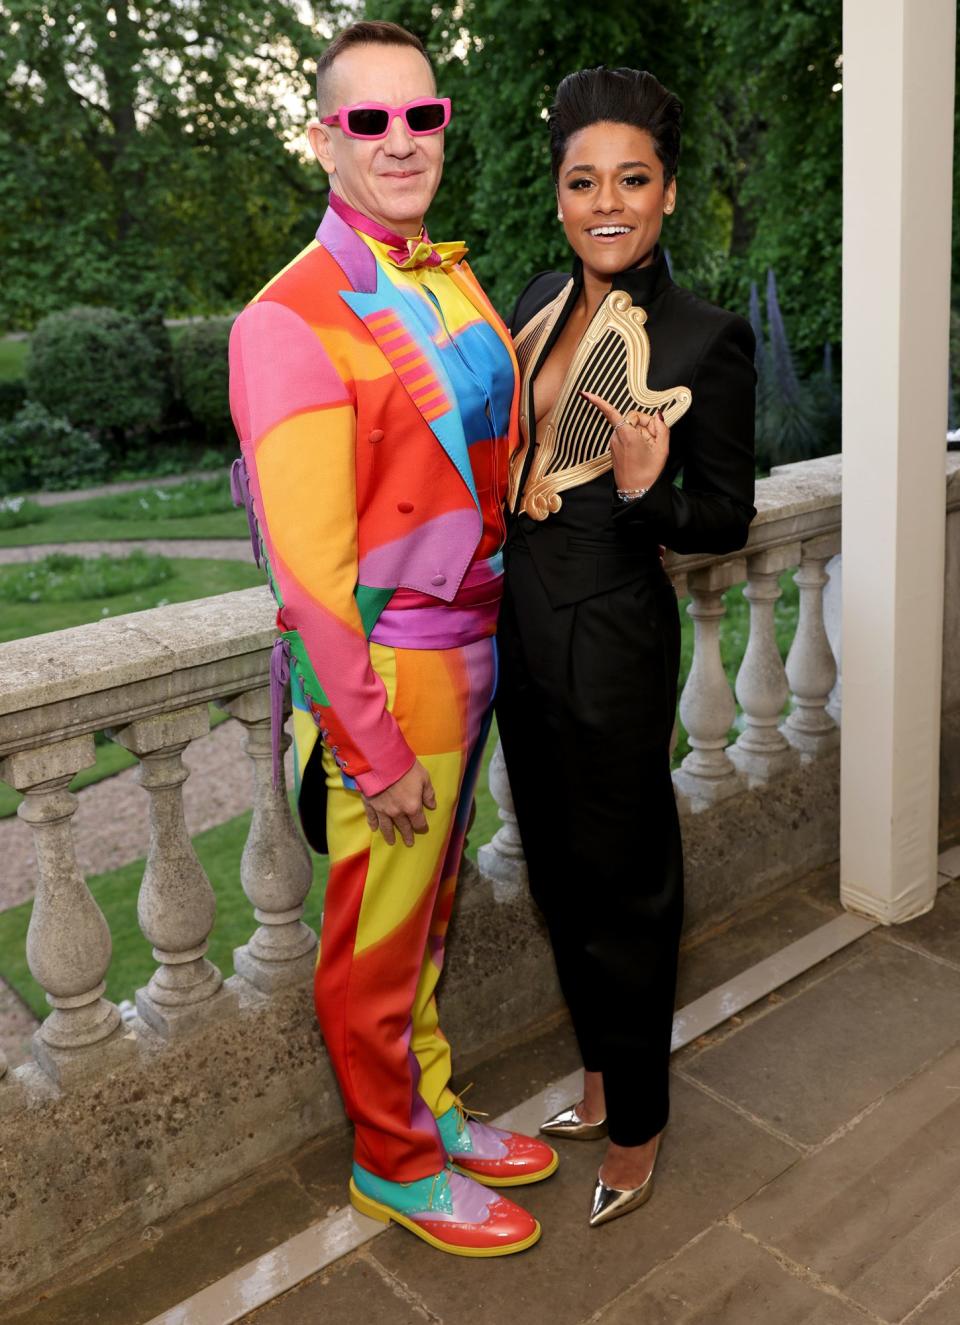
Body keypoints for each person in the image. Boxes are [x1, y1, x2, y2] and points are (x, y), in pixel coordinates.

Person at [228, 19, 557, 1258]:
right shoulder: (289, 318)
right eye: (369, 120)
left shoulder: (443, 271)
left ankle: (430, 1109)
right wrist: (368, 744)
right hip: (396, 671)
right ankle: (394, 1164)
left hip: (471, 652)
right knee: (375, 931)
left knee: (428, 911)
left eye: (424, 114)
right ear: (324, 138)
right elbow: (311, 580)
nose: (402, 139)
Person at [496, 65, 757, 1228]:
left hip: (612, 641)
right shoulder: (537, 303)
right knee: (554, 871)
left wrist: (652, 491)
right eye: (583, 179)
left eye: (632, 179)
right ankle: (598, 1073)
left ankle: (640, 1121)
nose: (609, 201)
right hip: (517, 638)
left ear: (668, 193)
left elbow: (727, 518)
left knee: (628, 885)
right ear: (558, 196)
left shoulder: (708, 335)